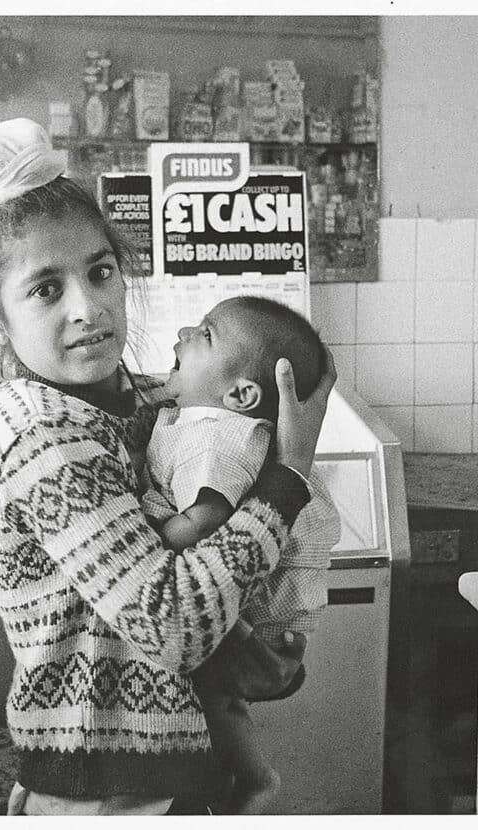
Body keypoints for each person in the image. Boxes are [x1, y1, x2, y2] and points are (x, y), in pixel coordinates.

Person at [0, 118, 336, 816]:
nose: (88, 307)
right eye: (45, 289)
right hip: (106, 793)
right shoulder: (42, 436)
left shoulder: (124, 399)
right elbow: (173, 625)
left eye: (100, 272)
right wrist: (288, 479)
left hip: (168, 775)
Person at [143, 295, 342, 814]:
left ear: (242, 393)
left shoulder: (219, 440)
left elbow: (205, 517)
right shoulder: (198, 419)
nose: (185, 331)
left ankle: (257, 779)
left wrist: (153, 536)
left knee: (213, 692)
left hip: (262, 627)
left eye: (204, 335)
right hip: (254, 607)